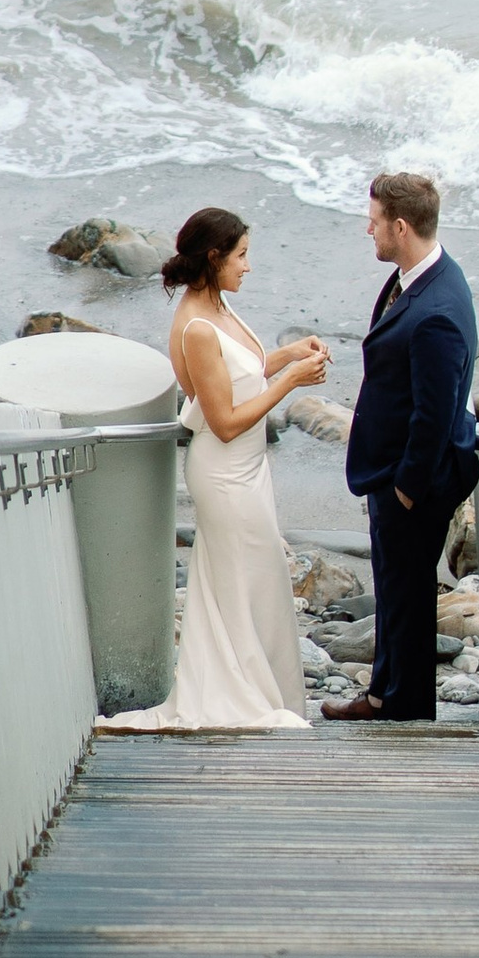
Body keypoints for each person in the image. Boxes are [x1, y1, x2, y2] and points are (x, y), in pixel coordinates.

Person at [99, 208, 329, 731]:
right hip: (226, 474)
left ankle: (267, 693)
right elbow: (223, 421)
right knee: (238, 584)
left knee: (258, 582)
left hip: (249, 471)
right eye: (242, 256)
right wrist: (291, 382)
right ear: (214, 257)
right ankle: (240, 696)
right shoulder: (198, 327)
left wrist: (284, 356)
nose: (248, 266)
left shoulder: (217, 305)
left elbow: (240, 376)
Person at [325, 168, 479, 724]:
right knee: (394, 591)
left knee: (409, 600)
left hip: (414, 480)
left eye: (373, 225)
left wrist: (408, 488)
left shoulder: (436, 311)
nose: (368, 233)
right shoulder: (422, 277)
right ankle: (384, 695)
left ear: (400, 226)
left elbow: (434, 414)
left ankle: (407, 714)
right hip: (395, 470)